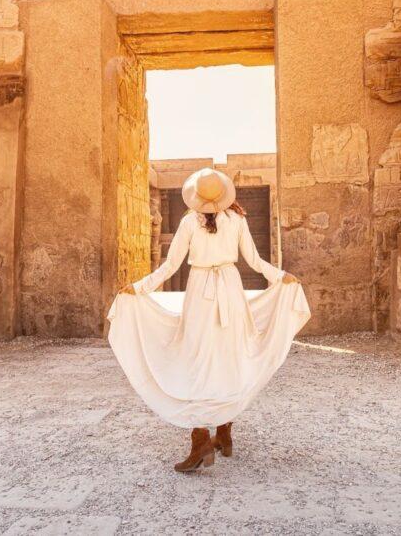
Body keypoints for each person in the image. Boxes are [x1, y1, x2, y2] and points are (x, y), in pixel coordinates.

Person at [107, 168, 311, 472]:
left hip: (201, 292)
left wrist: (139, 288)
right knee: (227, 358)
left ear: (197, 198)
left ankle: (202, 439)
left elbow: (171, 265)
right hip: (230, 290)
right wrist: (282, 277)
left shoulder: (189, 221)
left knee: (197, 362)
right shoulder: (238, 220)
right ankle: (224, 432)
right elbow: (255, 262)